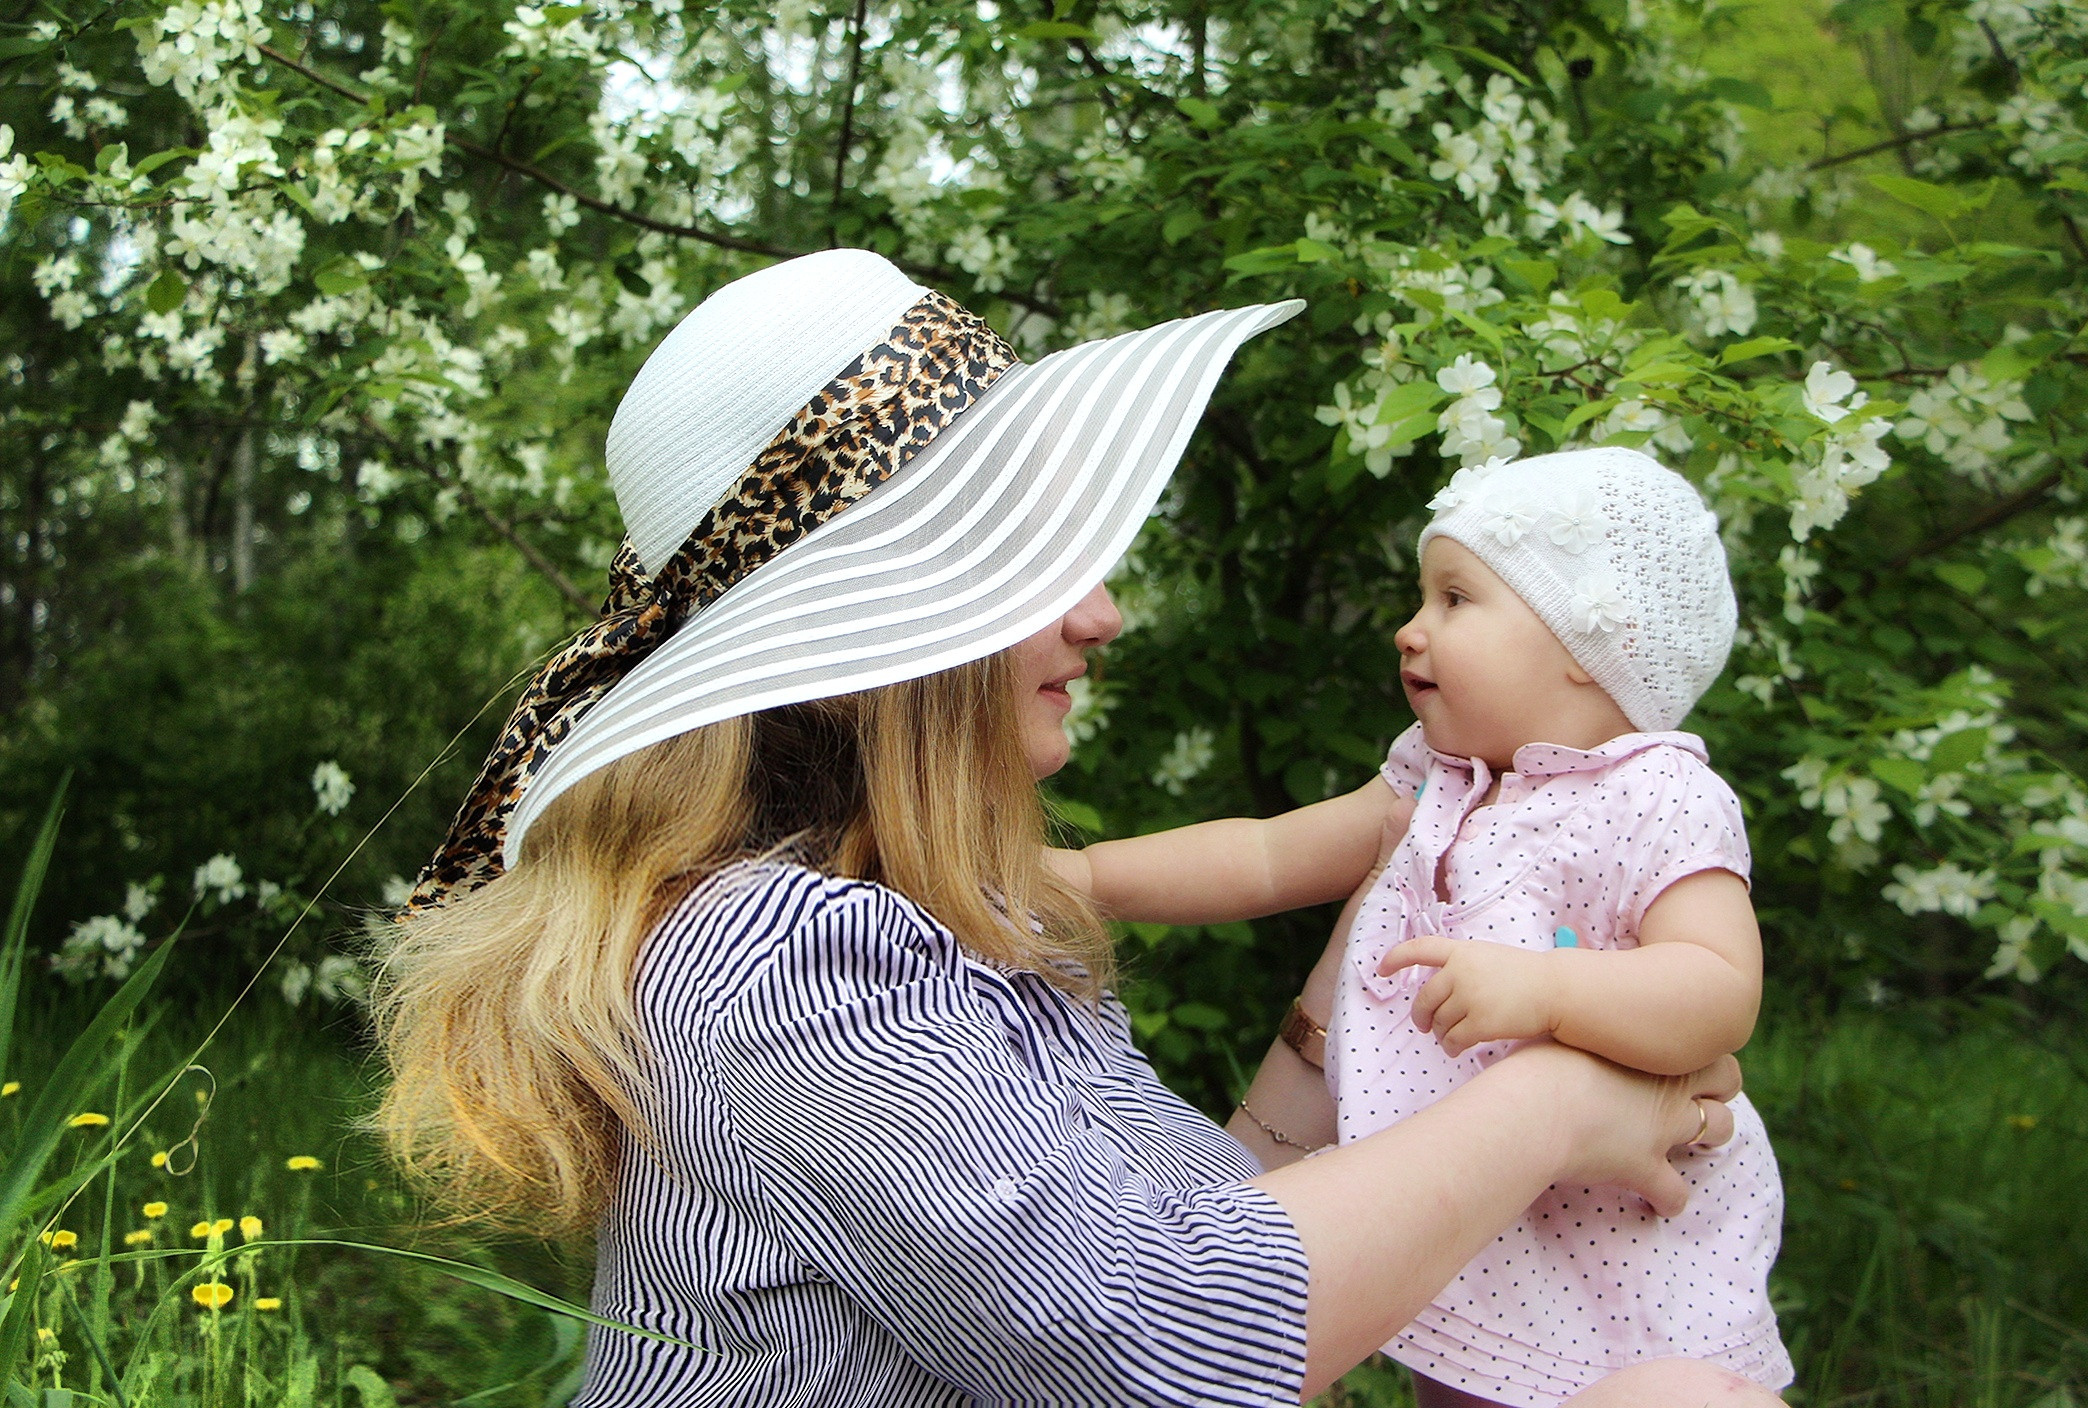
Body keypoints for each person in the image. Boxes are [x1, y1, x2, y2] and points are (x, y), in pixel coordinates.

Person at [368, 248, 1780, 1406]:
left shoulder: (939, 927)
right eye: (1043, 565)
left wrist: (1332, 1005)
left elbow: (1202, 1248)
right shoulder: (775, 962)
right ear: (901, 627)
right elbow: (1164, 1359)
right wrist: (1543, 1108)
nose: (1100, 613)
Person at [1062, 449, 1790, 1405]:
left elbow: (1717, 987)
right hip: (1477, 1220)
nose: (1410, 631)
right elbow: (1266, 855)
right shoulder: (1432, 780)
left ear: (1582, 642)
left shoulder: (1660, 796)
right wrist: (1079, 877)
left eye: (1455, 599)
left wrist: (1547, 991)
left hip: (1619, 1239)